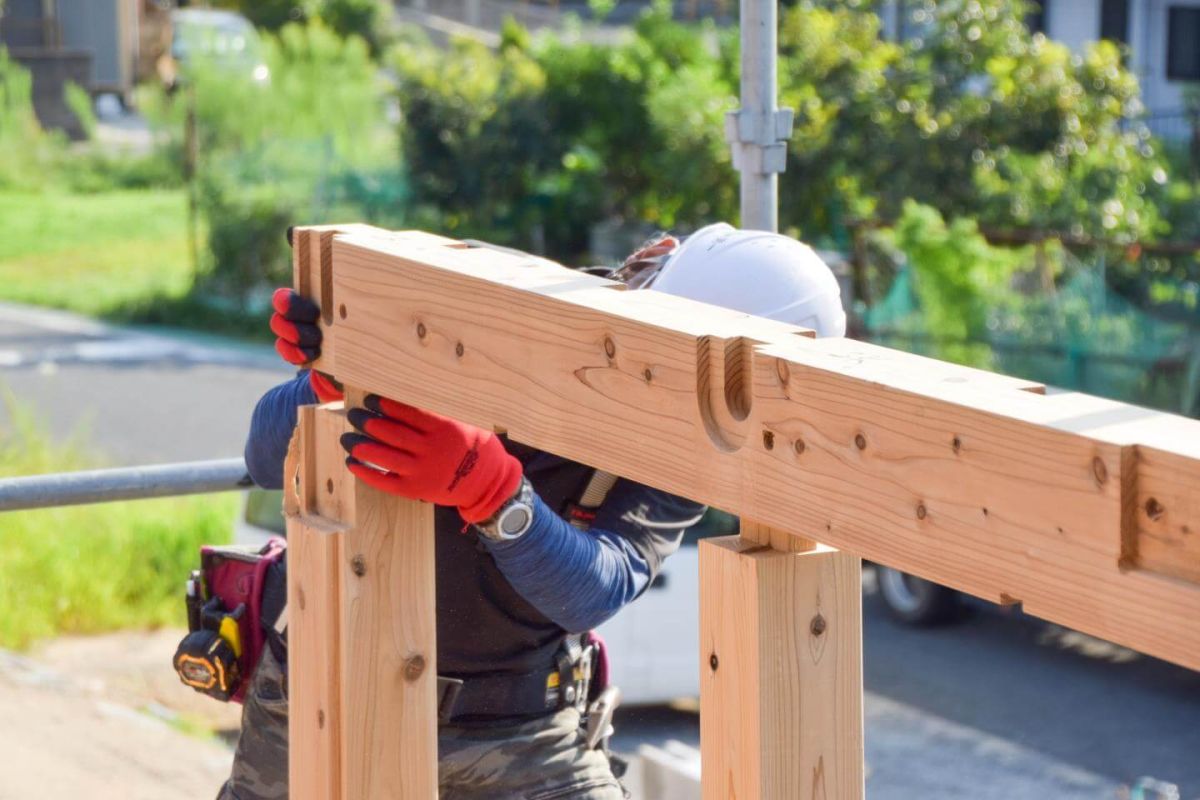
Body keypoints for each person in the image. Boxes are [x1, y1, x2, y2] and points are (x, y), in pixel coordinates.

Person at [220, 223, 845, 800]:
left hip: (520, 725)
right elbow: (267, 459)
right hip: (327, 687)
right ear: (648, 268)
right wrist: (328, 384)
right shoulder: (488, 319)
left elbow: (593, 589)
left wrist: (493, 494)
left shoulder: (690, 437)